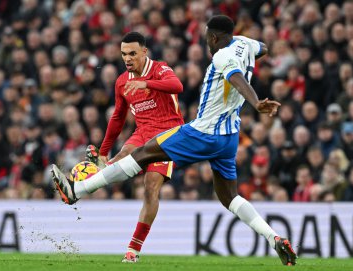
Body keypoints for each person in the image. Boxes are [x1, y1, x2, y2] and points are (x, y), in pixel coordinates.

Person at [52, 15, 297, 266]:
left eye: (206, 38)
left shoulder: (221, 56)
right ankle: (274, 237)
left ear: (214, 38)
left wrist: (256, 103)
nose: (205, 43)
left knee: (143, 155)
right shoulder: (245, 44)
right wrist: (247, 58)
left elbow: (234, 76)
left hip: (202, 131)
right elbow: (263, 48)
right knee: (229, 197)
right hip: (229, 136)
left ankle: (77, 190)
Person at [86, 32, 185, 262]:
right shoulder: (121, 81)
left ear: (144, 52)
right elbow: (118, 117)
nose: (127, 58)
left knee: (150, 188)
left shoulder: (160, 69)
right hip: (142, 132)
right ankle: (92, 174)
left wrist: (146, 83)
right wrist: (103, 150)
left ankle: (133, 249)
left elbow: (177, 86)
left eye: (132, 53)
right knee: (122, 153)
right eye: (123, 54)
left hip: (168, 134)